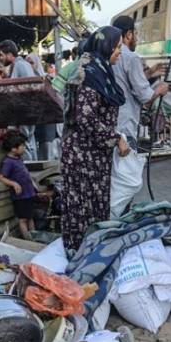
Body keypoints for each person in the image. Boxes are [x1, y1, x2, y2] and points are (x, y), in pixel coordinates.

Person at [59, 27, 126, 253]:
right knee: (83, 210)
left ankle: (88, 256)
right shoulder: (91, 74)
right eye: (117, 47)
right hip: (83, 157)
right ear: (106, 47)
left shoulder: (99, 70)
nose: (120, 52)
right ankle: (81, 260)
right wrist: (115, 138)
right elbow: (85, 118)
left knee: (91, 208)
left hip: (92, 155)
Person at [109, 16, 169, 217]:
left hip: (110, 127)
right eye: (134, 34)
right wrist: (159, 89)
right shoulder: (130, 57)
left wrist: (149, 74)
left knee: (113, 181)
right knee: (126, 183)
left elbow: (127, 84)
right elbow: (144, 97)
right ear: (128, 35)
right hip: (125, 128)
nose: (136, 38)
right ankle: (118, 222)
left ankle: (112, 218)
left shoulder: (108, 54)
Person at [0, 129, 38, 239]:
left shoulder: (18, 158)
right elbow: (1, 177)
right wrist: (14, 184)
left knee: (30, 217)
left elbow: (25, 172)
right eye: (22, 146)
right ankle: (28, 239)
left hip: (28, 193)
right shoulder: (8, 162)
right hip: (21, 196)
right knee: (23, 219)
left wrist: (32, 182)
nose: (25, 147)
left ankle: (34, 237)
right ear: (13, 148)